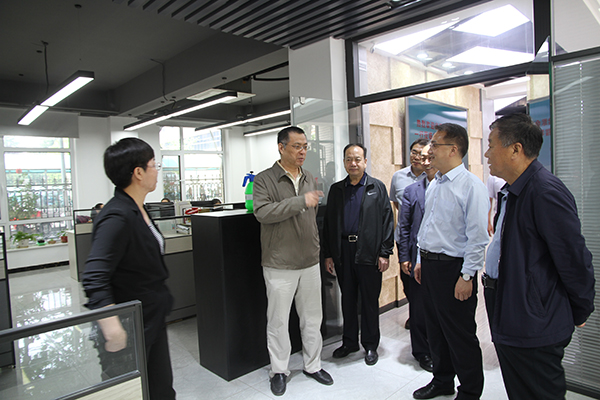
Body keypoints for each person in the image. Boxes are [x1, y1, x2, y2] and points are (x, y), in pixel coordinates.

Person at [483, 113, 595, 400]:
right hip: (508, 309)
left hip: (533, 321)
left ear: (515, 149)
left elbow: (574, 259)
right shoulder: (512, 190)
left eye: (491, 145)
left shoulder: (544, 191)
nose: (486, 154)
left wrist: (580, 309)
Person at [82, 138, 176, 400]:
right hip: (129, 326)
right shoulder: (117, 216)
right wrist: (112, 327)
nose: (157, 170)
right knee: (129, 393)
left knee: (161, 390)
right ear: (138, 173)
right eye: (153, 165)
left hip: (150, 317)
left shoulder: (138, 209)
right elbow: (94, 276)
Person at [253, 126, 333, 396]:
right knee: (278, 320)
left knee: (312, 318)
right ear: (281, 147)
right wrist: (300, 201)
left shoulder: (309, 177)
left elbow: (312, 218)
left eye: (305, 146)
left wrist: (317, 247)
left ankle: (313, 365)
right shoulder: (264, 179)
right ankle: (279, 370)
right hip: (279, 263)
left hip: (309, 261)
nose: (302, 151)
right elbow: (263, 212)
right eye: (297, 146)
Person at [412, 123, 488, 400]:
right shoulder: (436, 183)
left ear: (454, 149)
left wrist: (467, 276)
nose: (429, 150)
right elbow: (428, 227)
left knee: (460, 334)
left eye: (435, 144)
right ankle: (442, 380)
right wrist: (420, 258)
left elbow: (478, 238)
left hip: (454, 269)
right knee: (435, 329)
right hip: (430, 266)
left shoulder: (471, 186)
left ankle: (470, 391)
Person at [322, 143, 394, 366]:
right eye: (348, 159)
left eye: (357, 159)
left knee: (369, 301)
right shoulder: (336, 189)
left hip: (369, 252)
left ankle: (370, 345)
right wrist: (328, 254)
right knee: (348, 299)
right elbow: (328, 224)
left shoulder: (376, 187)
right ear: (344, 162)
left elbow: (387, 221)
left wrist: (385, 253)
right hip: (343, 252)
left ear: (365, 161)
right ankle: (349, 342)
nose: (353, 163)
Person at [398, 143, 437, 372]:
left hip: (441, 257)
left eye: (431, 156)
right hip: (416, 257)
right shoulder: (412, 190)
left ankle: (440, 347)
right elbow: (404, 227)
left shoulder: (447, 187)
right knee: (419, 308)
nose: (426, 161)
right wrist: (404, 256)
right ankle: (422, 351)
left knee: (438, 307)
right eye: (423, 157)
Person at [389, 138, 428, 329]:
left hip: (426, 239)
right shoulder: (399, 176)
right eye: (414, 152)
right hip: (404, 237)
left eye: (421, 153)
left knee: (424, 280)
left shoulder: (433, 176)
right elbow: (398, 206)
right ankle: (416, 312)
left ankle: (423, 317)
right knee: (407, 279)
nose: (417, 157)